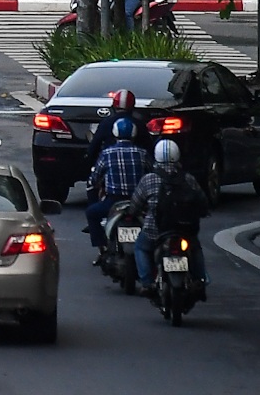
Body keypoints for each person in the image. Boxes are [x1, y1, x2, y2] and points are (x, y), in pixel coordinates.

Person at [126, 139, 210, 293]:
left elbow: (135, 204)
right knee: (195, 247)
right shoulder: (188, 178)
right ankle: (201, 278)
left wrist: (132, 214)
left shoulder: (149, 179)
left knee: (140, 248)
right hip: (186, 229)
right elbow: (202, 201)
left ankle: (147, 282)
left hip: (155, 230)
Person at [85, 111, 150, 255]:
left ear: (114, 134)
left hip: (113, 201)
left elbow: (94, 178)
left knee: (91, 213)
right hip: (138, 202)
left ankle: (101, 247)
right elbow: (150, 173)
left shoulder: (107, 153)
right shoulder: (142, 153)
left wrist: (92, 182)